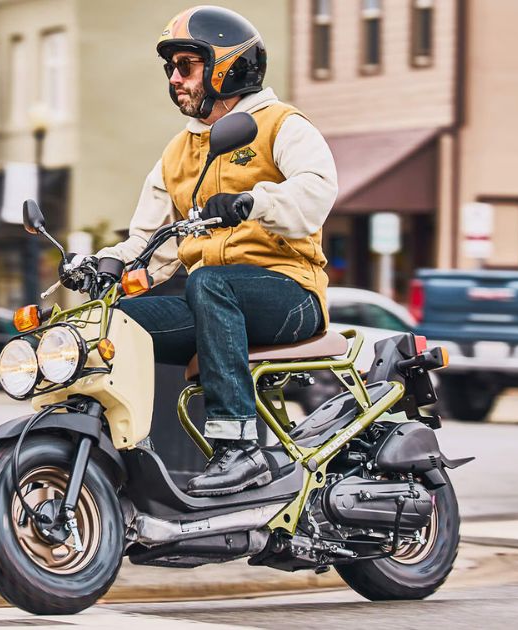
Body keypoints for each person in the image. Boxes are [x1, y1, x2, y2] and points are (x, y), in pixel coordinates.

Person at [89, 5, 337, 496]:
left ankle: (239, 446)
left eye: (186, 66)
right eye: (170, 69)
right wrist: (109, 263)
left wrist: (253, 202)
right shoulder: (176, 153)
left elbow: (317, 192)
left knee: (208, 281)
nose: (175, 79)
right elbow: (148, 240)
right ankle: (104, 454)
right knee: (114, 323)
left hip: (291, 294)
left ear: (226, 65)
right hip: (215, 302)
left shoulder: (280, 124)